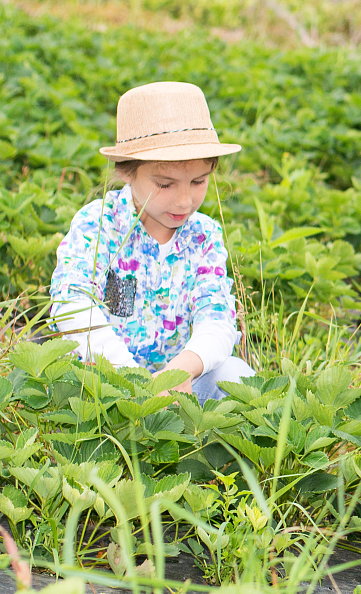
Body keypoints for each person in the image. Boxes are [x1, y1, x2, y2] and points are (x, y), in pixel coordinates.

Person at [50, 81, 254, 402]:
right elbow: (72, 303)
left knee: (236, 375)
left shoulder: (203, 235)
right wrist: (131, 377)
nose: (185, 201)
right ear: (127, 172)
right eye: (165, 184)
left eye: (198, 181)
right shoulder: (98, 224)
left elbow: (216, 316)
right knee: (69, 381)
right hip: (108, 378)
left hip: (183, 382)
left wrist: (180, 372)